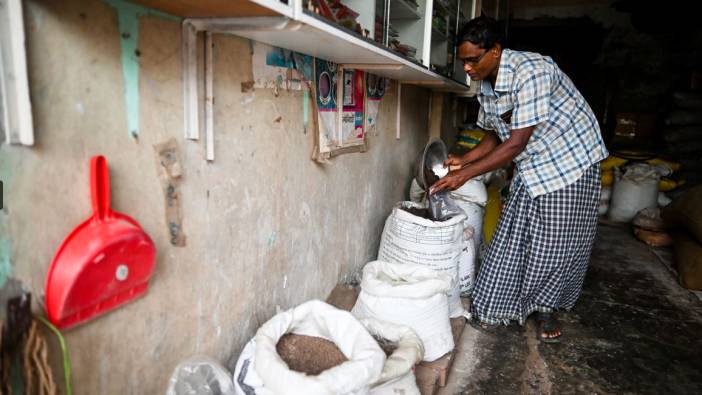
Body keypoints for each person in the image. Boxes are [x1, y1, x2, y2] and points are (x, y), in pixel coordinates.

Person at [430, 16, 608, 342]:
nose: (467, 68)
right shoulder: (485, 85)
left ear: (495, 51)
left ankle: (545, 308)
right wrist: (463, 159)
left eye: (473, 59)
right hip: (534, 162)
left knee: (555, 242)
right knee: (513, 235)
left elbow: (516, 142)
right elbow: (493, 136)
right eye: (464, 61)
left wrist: (465, 175)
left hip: (570, 158)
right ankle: (497, 305)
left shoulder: (533, 72)